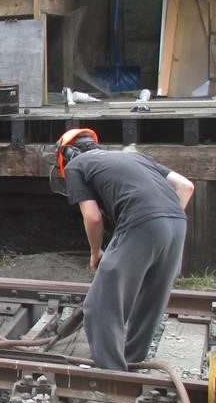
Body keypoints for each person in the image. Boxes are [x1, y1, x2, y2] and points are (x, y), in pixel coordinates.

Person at [51, 128, 194, 372]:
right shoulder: (134, 157)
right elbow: (186, 186)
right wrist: (162, 219)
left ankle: (112, 381)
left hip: (143, 224)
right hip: (177, 223)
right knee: (149, 303)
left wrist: (96, 252)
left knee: (99, 308)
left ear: (66, 154)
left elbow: (93, 217)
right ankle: (131, 366)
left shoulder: (77, 165)